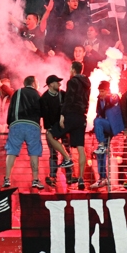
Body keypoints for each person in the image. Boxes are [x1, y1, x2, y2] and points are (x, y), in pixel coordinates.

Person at [46, 61, 91, 190]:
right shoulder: (87, 83)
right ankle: (81, 179)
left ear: (73, 69)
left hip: (71, 115)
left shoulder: (72, 81)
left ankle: (66, 158)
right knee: (80, 148)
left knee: (50, 135)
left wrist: (63, 115)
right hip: (82, 117)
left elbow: (69, 99)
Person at [3, 76, 44, 189]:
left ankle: (7, 178)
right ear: (34, 83)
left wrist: (9, 123)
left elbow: (11, 108)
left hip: (17, 124)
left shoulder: (18, 92)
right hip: (33, 125)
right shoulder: (38, 94)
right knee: (34, 152)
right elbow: (42, 111)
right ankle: (35, 179)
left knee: (11, 151)